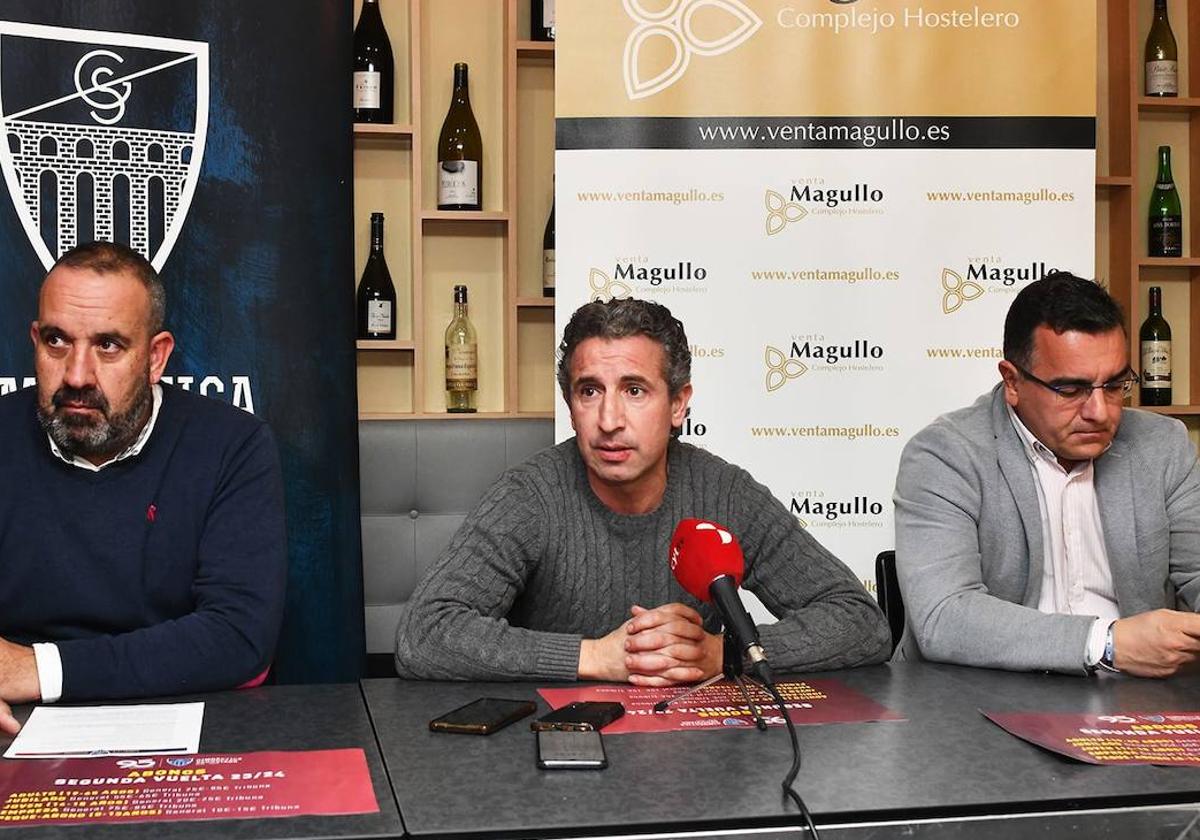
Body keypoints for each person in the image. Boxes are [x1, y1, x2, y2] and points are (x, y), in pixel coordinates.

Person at [394, 297, 891, 683]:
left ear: (678, 405)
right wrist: (597, 657)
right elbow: (424, 635)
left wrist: (723, 652)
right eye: (590, 391)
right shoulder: (530, 496)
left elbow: (861, 624)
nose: (609, 421)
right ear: (570, 405)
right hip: (560, 754)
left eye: (635, 391)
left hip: (697, 762)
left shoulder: (726, 494)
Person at [0, 241, 287, 733]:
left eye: (108, 345)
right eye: (56, 341)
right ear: (34, 339)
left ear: (156, 357)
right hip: (12, 721)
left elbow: (239, 637)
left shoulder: (232, 445)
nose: (76, 374)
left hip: (186, 721)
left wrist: (40, 669)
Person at [894, 272, 1200, 677]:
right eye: (1070, 390)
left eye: (1113, 385)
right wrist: (1105, 643)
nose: (1100, 411)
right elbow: (944, 615)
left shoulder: (1163, 445)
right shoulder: (945, 455)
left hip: (1133, 705)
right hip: (981, 704)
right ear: (1013, 382)